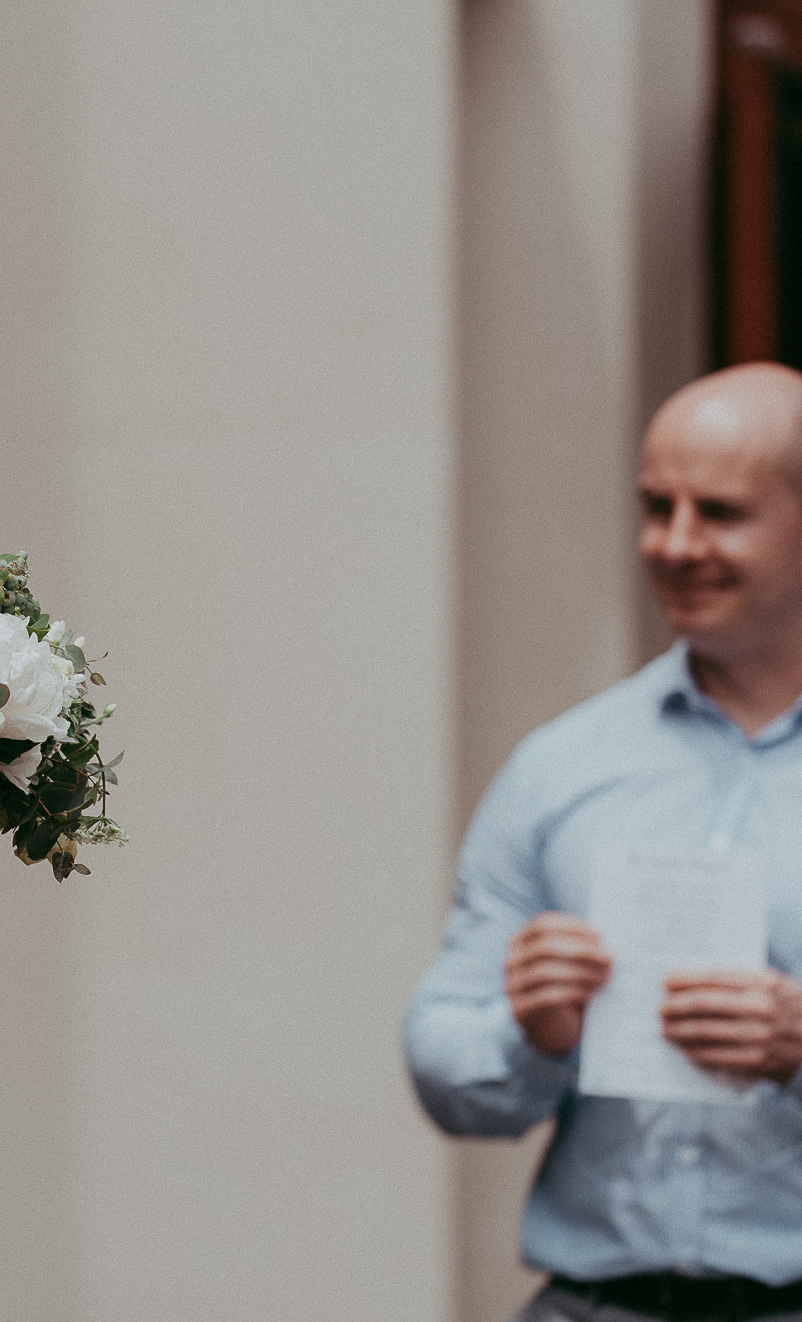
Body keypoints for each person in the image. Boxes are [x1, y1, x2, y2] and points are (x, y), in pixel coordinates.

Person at [406, 361, 802, 1322]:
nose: (674, 544)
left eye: (718, 511)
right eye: (655, 505)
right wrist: (528, 1033)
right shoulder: (563, 769)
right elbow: (444, 1059)